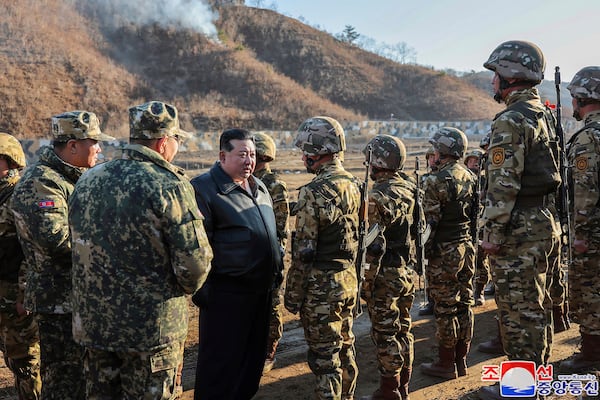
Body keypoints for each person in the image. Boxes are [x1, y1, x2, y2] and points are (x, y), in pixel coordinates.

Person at [68, 101, 213, 398]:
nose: (178, 147)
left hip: (95, 328)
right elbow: (195, 264)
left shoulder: (88, 179)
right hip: (151, 331)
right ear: (163, 143)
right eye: (177, 140)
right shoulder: (169, 184)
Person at [11, 110, 114, 399]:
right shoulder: (42, 181)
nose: (100, 148)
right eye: (95, 142)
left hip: (82, 299)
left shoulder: (77, 177)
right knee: (65, 384)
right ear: (73, 145)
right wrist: (112, 244)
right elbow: (56, 239)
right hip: (60, 304)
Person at [478, 40, 561, 400]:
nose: (492, 81)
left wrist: (491, 233)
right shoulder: (543, 113)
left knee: (518, 315)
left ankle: (521, 390)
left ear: (510, 75)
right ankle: (534, 384)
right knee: (535, 310)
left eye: (495, 73)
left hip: (519, 227)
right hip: (542, 221)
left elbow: (503, 183)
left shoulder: (512, 119)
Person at [191, 128, 282, 400]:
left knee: (250, 365)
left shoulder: (259, 186)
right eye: (242, 154)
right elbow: (197, 247)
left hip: (261, 293)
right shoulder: (205, 189)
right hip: (226, 297)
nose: (249, 161)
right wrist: (208, 295)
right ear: (222, 155)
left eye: (252, 155)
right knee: (220, 368)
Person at [284, 116, 360, 400]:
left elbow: (304, 253)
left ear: (316, 152)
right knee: (345, 347)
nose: (303, 157)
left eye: (305, 151)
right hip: (347, 280)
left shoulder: (313, 193)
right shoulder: (353, 183)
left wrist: (292, 295)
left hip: (321, 288)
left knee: (325, 359)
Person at [360, 135, 415, 400]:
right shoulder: (410, 189)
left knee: (385, 335)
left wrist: (366, 285)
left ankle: (389, 391)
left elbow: (373, 247)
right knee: (404, 329)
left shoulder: (375, 196)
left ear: (377, 162)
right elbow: (420, 231)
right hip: (406, 271)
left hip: (384, 275)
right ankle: (403, 386)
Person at [419, 127, 476, 380]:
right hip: (466, 246)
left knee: (445, 308)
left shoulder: (434, 180)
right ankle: (461, 360)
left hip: (444, 250)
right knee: (464, 303)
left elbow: (430, 224)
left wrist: (424, 255)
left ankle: (445, 363)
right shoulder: (470, 176)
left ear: (443, 151)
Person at [560, 66, 600, 371]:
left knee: (590, 292)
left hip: (594, 234)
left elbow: (585, 191)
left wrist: (581, 235)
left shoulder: (588, 138)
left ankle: (591, 354)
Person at [0, 133, 42, 399]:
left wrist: (25, 294)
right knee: (12, 359)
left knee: (27, 363)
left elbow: (33, 249)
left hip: (16, 296)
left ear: (8, 161)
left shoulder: (21, 194)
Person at [253, 132, 290, 374]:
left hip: (270, 252)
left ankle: (269, 348)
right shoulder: (245, 180)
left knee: (271, 303)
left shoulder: (274, 185)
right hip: (251, 253)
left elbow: (280, 224)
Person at [463, 148, 490, 306]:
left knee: (481, 259)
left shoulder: (487, 181)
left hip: (482, 224)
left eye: (477, 162)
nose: (474, 164)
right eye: (471, 161)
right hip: (466, 224)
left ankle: (479, 291)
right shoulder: (463, 180)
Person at [417, 146, 437, 317]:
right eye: (429, 157)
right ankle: (431, 301)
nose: (431, 160)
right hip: (425, 225)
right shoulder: (423, 179)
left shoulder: (439, 179)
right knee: (428, 269)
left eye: (433, 156)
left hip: (436, 227)